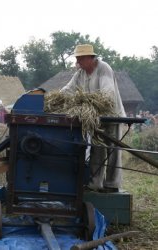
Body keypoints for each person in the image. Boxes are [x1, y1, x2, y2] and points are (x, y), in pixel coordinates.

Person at [61, 44, 126, 192]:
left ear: (90, 58)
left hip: (111, 115)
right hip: (95, 118)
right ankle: (95, 183)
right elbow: (68, 89)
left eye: (80, 58)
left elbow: (107, 94)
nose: (78, 61)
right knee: (97, 150)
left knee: (113, 149)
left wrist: (86, 101)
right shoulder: (80, 73)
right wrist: (55, 97)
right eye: (77, 58)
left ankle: (112, 184)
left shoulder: (103, 69)